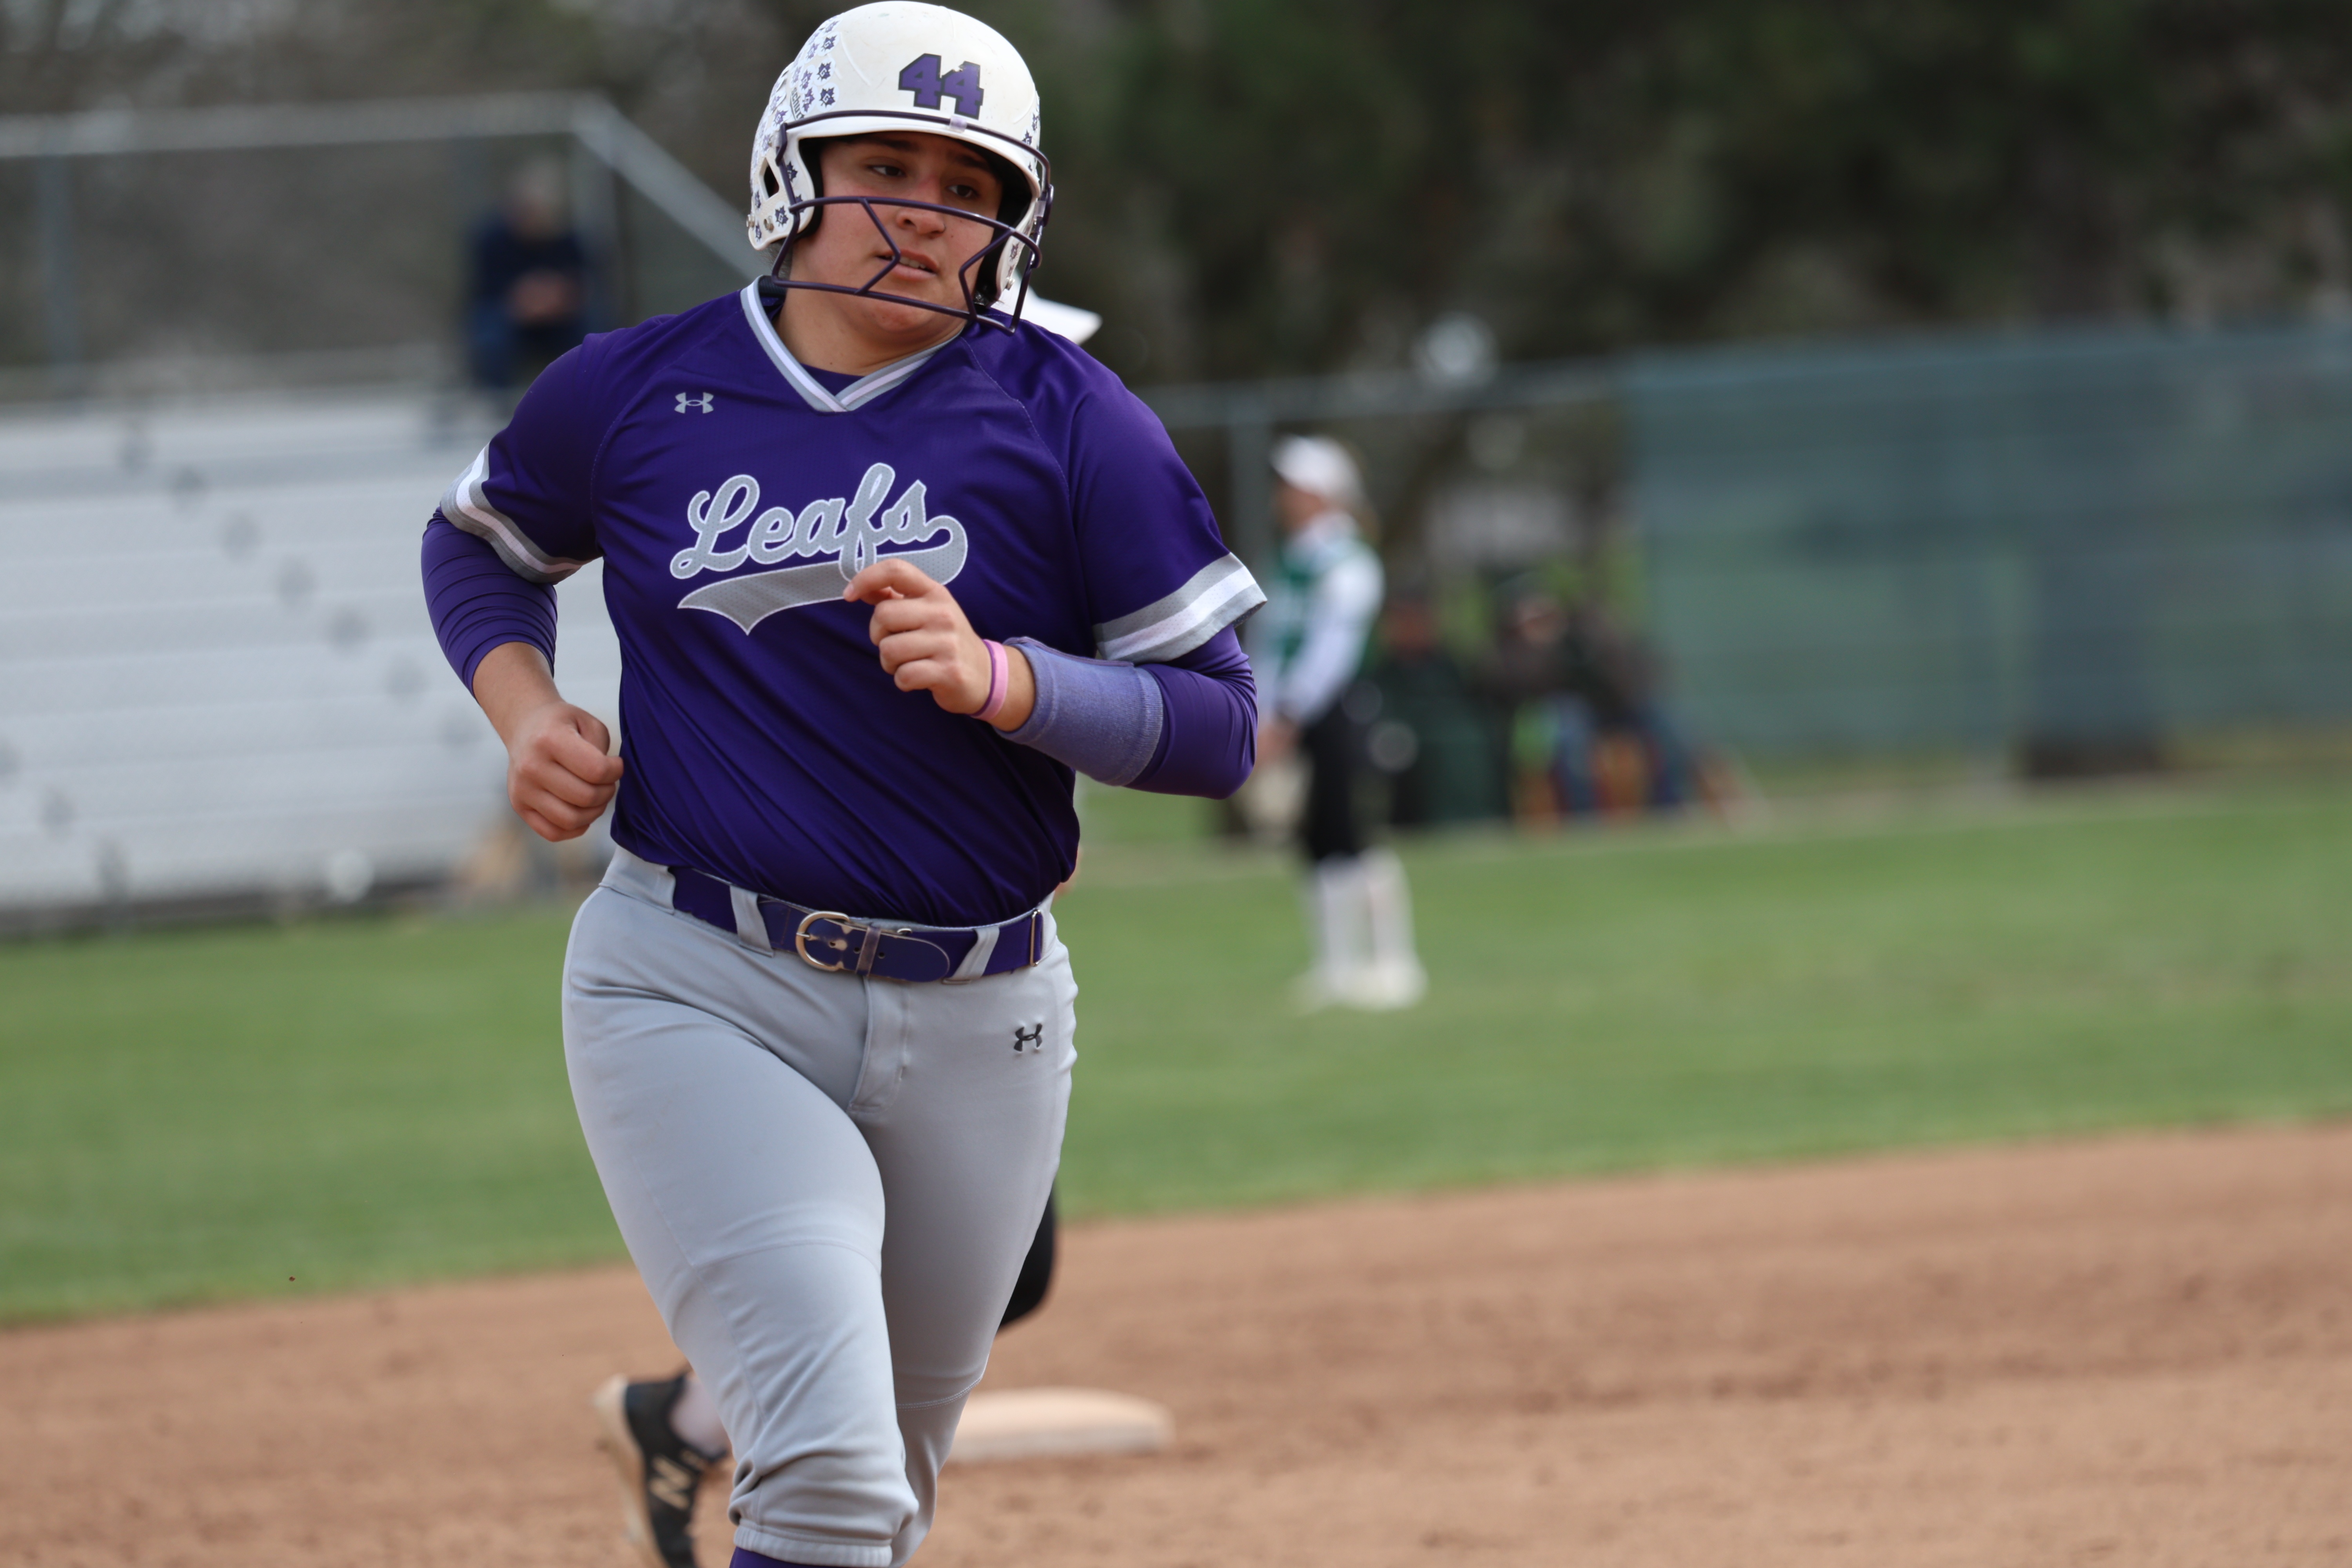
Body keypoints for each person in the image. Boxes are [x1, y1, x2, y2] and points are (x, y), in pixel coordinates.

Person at [417, 9, 1263, 1568]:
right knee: (827, 1476)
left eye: (967, 185)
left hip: (986, 1017)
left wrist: (1013, 679)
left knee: (889, 1499)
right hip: (700, 979)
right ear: (788, 178)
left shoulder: (1076, 420)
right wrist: (523, 701)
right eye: (882, 166)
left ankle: (675, 1443)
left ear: (1011, 222)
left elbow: (1221, 726)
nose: (922, 214)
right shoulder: (635, 387)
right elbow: (482, 544)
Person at [1249, 435, 1425, 1011]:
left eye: (1295, 487)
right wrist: (1264, 710)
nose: (1283, 497)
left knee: (1355, 835)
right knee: (1319, 840)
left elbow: (1332, 649)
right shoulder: (1298, 559)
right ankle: (1337, 968)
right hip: (1301, 714)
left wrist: (1290, 711)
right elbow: (1277, 643)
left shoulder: (1347, 560)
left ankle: (1396, 963)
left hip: (1341, 707)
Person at [466, 159, 590, 391]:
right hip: (509, 314)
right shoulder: (491, 238)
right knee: (490, 331)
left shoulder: (568, 238)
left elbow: (580, 282)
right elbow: (485, 289)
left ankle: (587, 389)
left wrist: (553, 300)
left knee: (593, 326)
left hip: (559, 316)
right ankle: (495, 395)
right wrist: (522, 300)